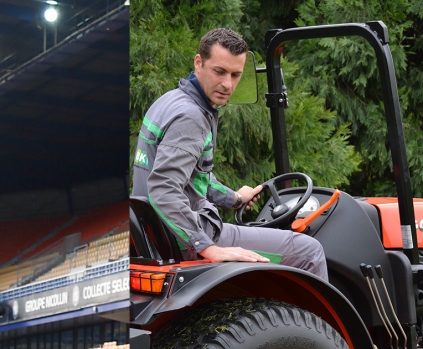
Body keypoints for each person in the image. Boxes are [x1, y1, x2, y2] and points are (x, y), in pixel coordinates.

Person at [132, 27, 327, 280]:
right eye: (219, 72)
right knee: (309, 251)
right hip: (187, 239)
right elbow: (163, 187)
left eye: (236, 75)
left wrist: (235, 198)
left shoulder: (170, 101)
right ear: (199, 62)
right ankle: (308, 322)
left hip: (159, 233)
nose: (227, 84)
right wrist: (208, 248)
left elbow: (193, 177)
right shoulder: (191, 117)